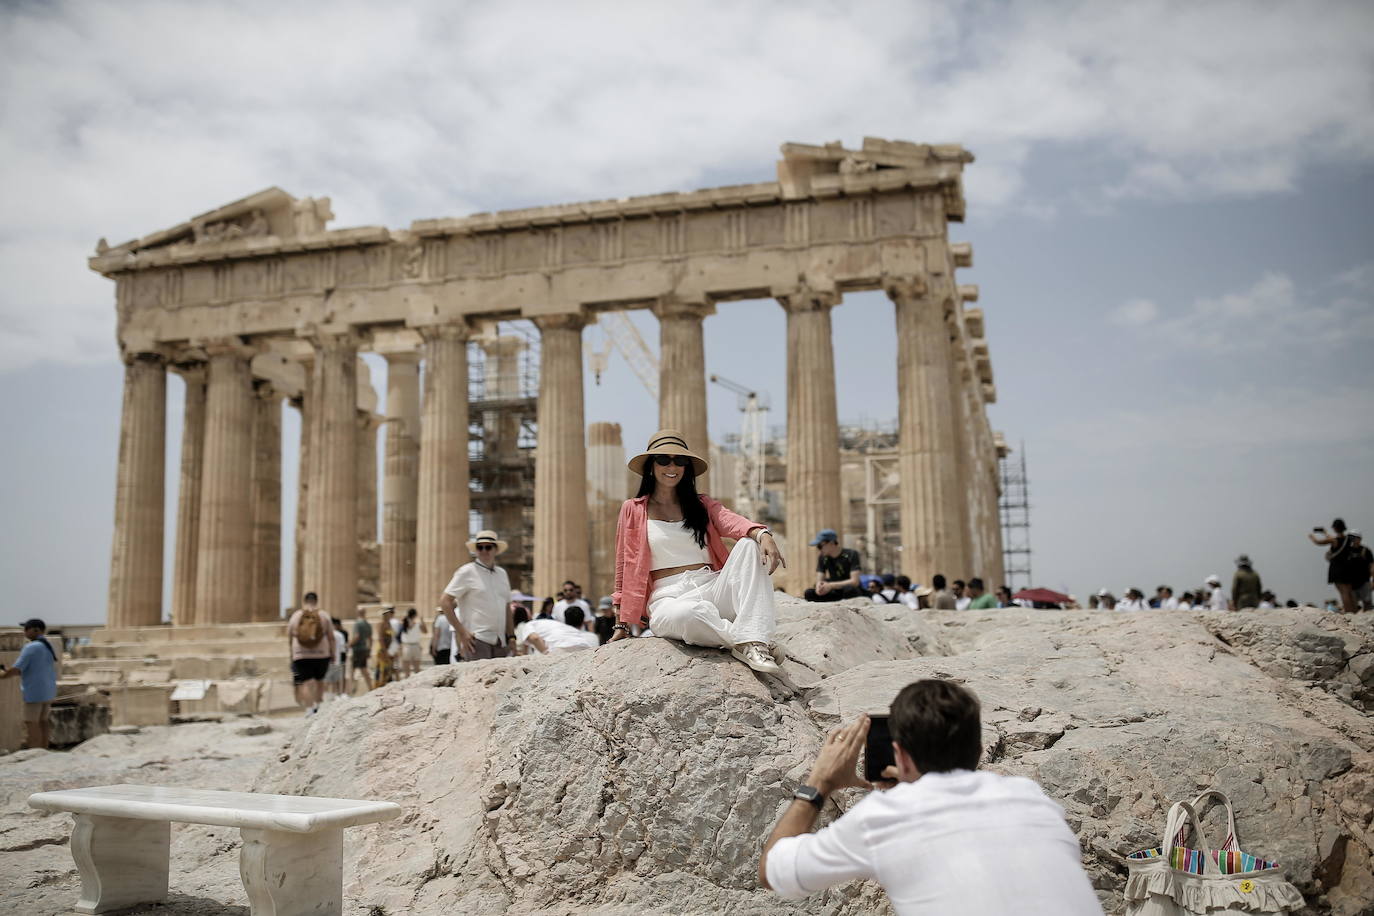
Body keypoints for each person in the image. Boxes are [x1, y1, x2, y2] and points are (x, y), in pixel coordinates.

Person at [757, 679, 1102, 915]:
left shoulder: (886, 814)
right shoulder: (1030, 798)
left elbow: (772, 872)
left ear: (901, 756)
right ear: (978, 750)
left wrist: (821, 781)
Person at [609, 428, 786, 674]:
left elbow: (731, 521)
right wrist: (622, 623)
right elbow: (623, 564)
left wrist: (761, 533)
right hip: (667, 599)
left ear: (687, 467)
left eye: (679, 460)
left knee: (748, 544)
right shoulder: (633, 509)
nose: (672, 466)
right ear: (651, 466)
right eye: (663, 459)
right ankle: (749, 639)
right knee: (688, 615)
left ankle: (753, 640)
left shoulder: (701, 504)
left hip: (711, 587)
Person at [440, 530, 514, 660]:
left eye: (488, 547)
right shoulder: (466, 572)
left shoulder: (502, 574)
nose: (484, 550)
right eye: (480, 547)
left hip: (500, 641)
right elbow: (445, 601)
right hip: (477, 640)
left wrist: (512, 636)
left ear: (496, 550)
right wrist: (462, 632)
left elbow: (507, 607)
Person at [1, 618, 59, 749]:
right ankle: (44, 749)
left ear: (35, 630)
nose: (24, 632)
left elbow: (17, 669)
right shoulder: (47, 645)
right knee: (43, 721)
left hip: (35, 692)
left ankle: (35, 750)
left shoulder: (31, 647)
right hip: (47, 690)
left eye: (26, 629)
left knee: (31, 722)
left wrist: (3, 674)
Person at [286, 592, 335, 714]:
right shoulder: (323, 615)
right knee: (320, 681)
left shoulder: (296, 616)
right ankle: (318, 707)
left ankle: (309, 709)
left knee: (306, 683)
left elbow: (290, 635)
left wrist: (291, 653)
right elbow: (331, 637)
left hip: (301, 654)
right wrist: (333, 653)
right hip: (321, 654)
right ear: (316, 601)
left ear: (304, 601)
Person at [1311, 519, 1360, 614]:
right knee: (1349, 591)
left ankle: (1349, 612)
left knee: (1343, 592)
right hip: (1347, 567)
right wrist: (1325, 532)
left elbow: (1318, 542)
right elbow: (1332, 538)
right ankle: (1354, 611)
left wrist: (1312, 537)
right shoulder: (1348, 539)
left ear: (1335, 528)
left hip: (1337, 568)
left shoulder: (1334, 540)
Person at [804, 529, 862, 602]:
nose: (819, 549)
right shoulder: (823, 557)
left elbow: (854, 582)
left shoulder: (851, 554)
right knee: (809, 593)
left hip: (848, 591)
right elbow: (820, 579)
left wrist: (831, 585)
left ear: (831, 543)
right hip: (834, 592)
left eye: (820, 546)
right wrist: (819, 587)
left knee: (850, 590)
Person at [515, 606, 600, 654]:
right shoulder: (550, 624)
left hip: (562, 647)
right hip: (583, 645)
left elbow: (534, 638)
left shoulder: (527, 626)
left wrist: (546, 654)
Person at [396, 608, 426, 676]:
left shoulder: (404, 623)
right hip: (413, 646)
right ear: (415, 615)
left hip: (407, 647)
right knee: (416, 669)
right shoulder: (414, 624)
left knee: (407, 670)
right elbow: (425, 631)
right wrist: (422, 621)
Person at [349, 609, 374, 692]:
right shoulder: (367, 624)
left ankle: (351, 688)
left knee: (352, 669)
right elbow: (370, 639)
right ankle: (370, 688)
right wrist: (369, 649)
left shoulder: (357, 623)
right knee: (364, 669)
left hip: (357, 649)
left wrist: (349, 644)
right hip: (364, 649)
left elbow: (356, 636)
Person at [1347, 531, 1372, 612]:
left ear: (1359, 539)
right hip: (1351, 583)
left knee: (1367, 603)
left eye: (1354, 537)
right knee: (1353, 605)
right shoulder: (1346, 551)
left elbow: (1372, 566)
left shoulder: (1366, 550)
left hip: (1364, 581)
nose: (1352, 539)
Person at [324, 618, 347, 697]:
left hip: (326, 660)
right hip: (337, 660)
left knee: (326, 680)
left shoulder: (325, 634)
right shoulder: (340, 635)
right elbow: (342, 649)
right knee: (335, 680)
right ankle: (335, 695)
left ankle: (327, 696)